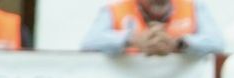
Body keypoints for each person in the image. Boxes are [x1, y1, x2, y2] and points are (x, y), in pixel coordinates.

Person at [80, 0, 223, 57]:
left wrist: (178, 44)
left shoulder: (194, 7)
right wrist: (132, 40)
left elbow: (217, 43)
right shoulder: (114, 10)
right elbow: (89, 43)